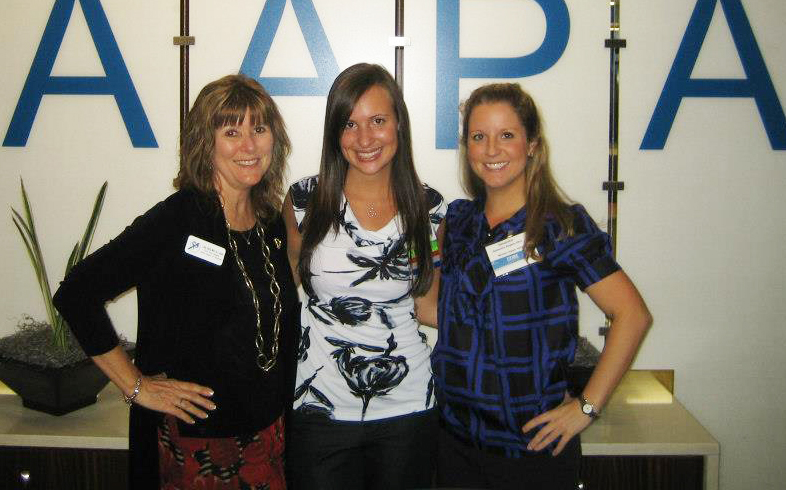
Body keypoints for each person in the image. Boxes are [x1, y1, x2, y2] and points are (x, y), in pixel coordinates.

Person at [53, 74, 299, 490]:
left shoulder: (271, 223)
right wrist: (137, 387)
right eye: (231, 131)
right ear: (207, 144)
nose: (249, 145)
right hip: (196, 450)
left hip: (267, 439)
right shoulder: (177, 220)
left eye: (259, 128)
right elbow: (76, 293)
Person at [423, 83, 652, 489]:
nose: (492, 149)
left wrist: (585, 408)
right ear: (467, 146)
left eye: (506, 135)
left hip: (532, 450)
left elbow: (631, 315)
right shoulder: (457, 222)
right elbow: (438, 311)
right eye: (479, 137)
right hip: (455, 440)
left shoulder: (558, 226)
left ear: (531, 145)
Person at [283, 63, 445, 490]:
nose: (366, 139)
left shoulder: (430, 209)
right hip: (319, 409)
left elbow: (429, 306)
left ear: (399, 125)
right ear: (335, 132)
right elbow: (278, 294)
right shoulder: (305, 200)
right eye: (350, 124)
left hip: (409, 409)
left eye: (378, 121)